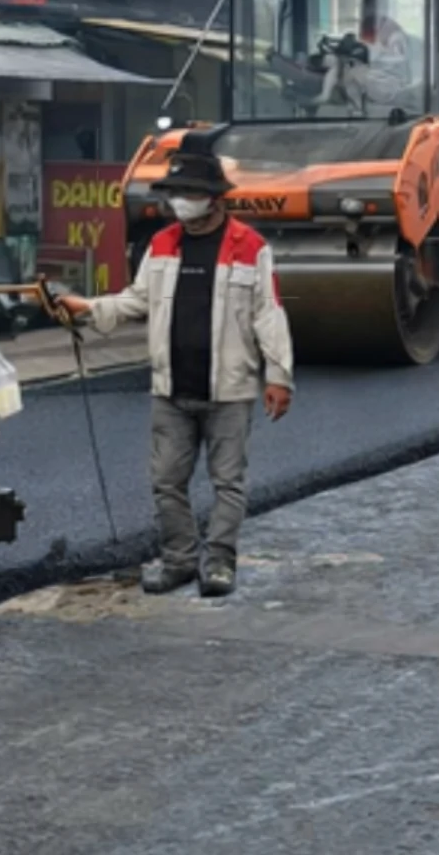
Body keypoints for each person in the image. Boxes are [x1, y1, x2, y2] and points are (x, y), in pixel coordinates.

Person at [58, 138, 293, 598]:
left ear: (214, 197)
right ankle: (179, 560)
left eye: (189, 192)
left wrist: (278, 376)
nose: (180, 201)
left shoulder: (250, 247)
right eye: (175, 192)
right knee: (166, 482)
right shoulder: (163, 244)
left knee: (228, 482)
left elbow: (269, 313)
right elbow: (137, 300)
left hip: (228, 389)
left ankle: (219, 562)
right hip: (171, 389)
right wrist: (87, 308)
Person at [319, 0, 415, 115]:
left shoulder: (393, 33)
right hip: (372, 78)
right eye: (365, 8)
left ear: (384, 9)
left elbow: (400, 59)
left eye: (372, 7)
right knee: (345, 70)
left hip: (391, 83)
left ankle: (353, 107)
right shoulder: (368, 29)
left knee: (353, 73)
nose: (367, 12)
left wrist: (374, 59)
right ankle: (353, 108)